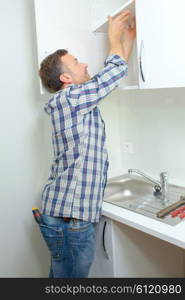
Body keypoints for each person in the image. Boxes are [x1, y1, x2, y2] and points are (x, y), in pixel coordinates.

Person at [38, 10, 136, 278]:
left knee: (61, 277)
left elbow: (110, 78)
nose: (83, 64)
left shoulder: (73, 101)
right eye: (76, 61)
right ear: (66, 79)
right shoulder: (71, 99)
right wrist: (113, 37)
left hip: (61, 214)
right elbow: (112, 74)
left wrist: (126, 40)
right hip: (71, 219)